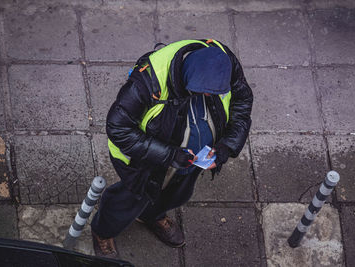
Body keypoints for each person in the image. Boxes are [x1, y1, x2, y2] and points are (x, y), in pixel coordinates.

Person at [90, 39, 253, 258]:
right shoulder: (148, 81)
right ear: (186, 76)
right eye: (202, 92)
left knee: (177, 194)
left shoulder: (224, 61)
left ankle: (152, 216)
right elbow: (118, 128)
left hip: (190, 159)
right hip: (143, 161)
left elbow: (242, 102)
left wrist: (227, 146)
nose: (209, 97)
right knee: (130, 199)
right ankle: (103, 230)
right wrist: (169, 155)